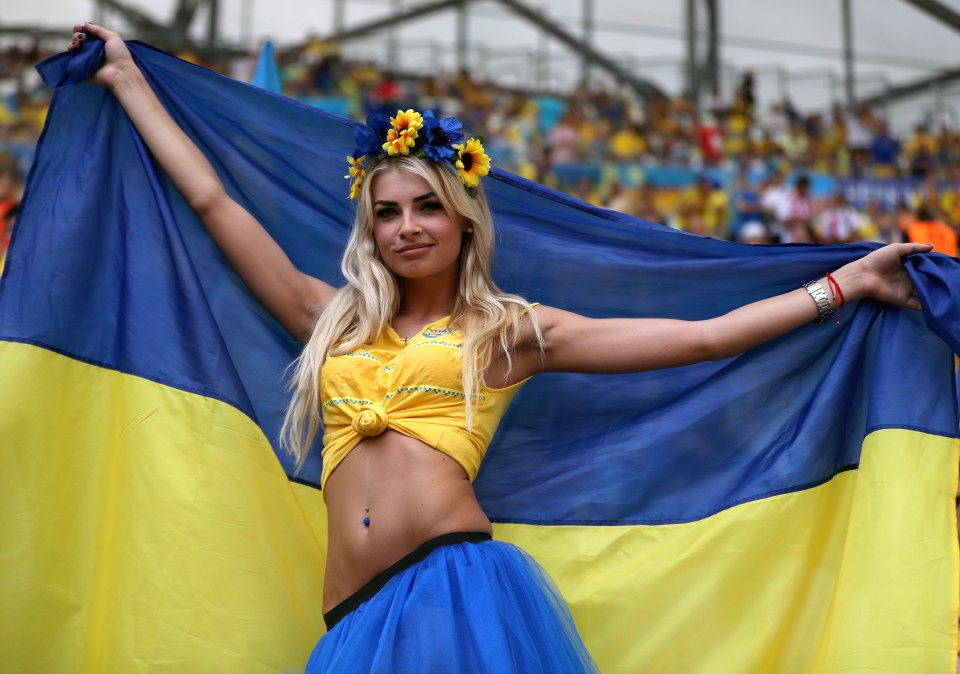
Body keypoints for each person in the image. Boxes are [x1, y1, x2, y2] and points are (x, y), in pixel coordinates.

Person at [70, 23, 932, 673]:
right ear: (369, 229)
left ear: (463, 216)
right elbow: (217, 205)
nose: (407, 227)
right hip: (352, 627)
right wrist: (127, 80)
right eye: (388, 211)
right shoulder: (327, 316)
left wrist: (840, 288)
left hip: (454, 593)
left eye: (427, 206)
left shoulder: (506, 331)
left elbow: (698, 337)